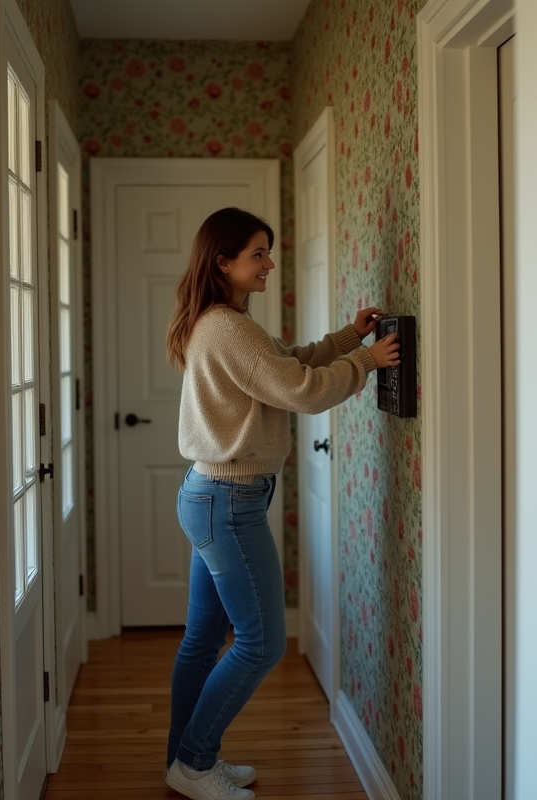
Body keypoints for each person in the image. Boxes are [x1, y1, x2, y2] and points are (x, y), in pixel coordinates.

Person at [161, 207, 400, 800]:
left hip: (211, 494)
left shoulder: (223, 322)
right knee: (262, 642)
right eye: (258, 255)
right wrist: (366, 360)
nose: (270, 265)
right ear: (224, 262)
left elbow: (284, 364)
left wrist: (349, 339)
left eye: (269, 252)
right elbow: (300, 389)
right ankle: (194, 760)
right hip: (228, 502)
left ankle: (184, 760)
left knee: (202, 639)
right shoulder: (226, 327)